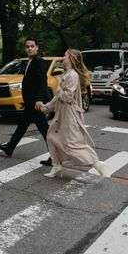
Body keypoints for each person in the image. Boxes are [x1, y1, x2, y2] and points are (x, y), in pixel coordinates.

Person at [40, 49, 110, 178]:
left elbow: (66, 96)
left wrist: (59, 92)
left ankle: (96, 163)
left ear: (71, 59)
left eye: (65, 56)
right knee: (51, 137)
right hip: (62, 113)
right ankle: (56, 165)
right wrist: (46, 107)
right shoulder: (68, 74)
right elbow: (59, 97)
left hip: (69, 114)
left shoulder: (72, 75)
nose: (63, 58)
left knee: (72, 144)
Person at [0, 36, 52, 166]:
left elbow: (43, 82)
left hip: (35, 104)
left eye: (32, 46)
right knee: (23, 126)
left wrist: (39, 99)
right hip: (30, 103)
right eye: (27, 47)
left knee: (44, 130)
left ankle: (55, 156)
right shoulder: (30, 61)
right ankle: (9, 147)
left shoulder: (39, 61)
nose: (30, 49)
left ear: (37, 47)